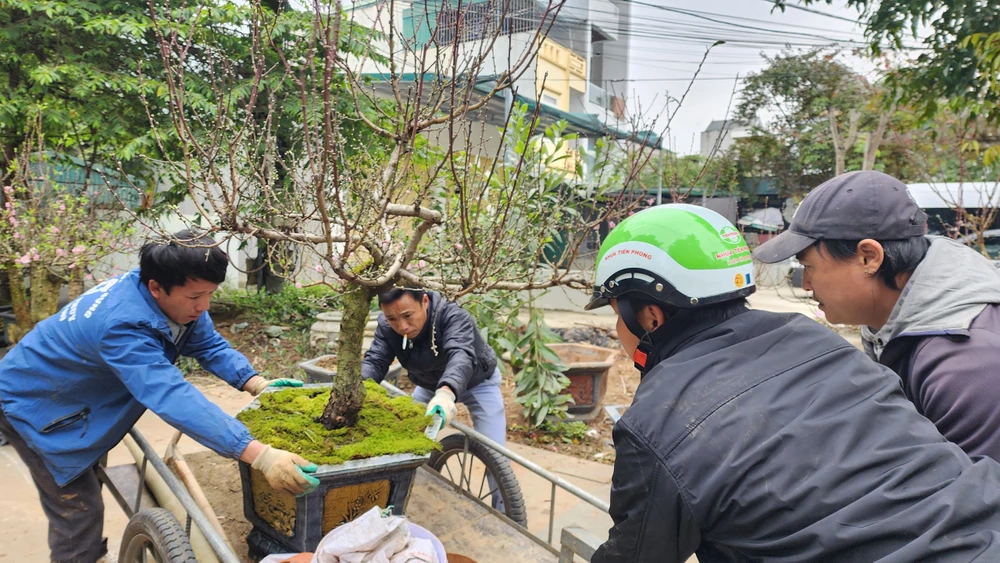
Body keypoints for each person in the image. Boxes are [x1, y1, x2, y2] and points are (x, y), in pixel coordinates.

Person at [586, 203, 1000, 563]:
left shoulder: (656, 424)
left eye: (616, 314)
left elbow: (636, 552)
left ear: (649, 316)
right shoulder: (818, 340)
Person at [0, 230, 319, 563]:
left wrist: (255, 383)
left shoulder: (170, 293)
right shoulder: (121, 326)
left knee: (89, 472)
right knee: (79, 510)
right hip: (31, 404)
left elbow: (208, 344)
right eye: (196, 296)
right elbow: (171, 395)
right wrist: (260, 455)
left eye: (210, 294)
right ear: (156, 287)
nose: (204, 306)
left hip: (74, 394)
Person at [753, 170, 1000, 461]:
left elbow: (973, 487)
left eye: (809, 267)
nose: (806, 285)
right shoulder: (889, 316)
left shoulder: (966, 365)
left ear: (868, 257)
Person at [361, 288, 506, 507]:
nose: (402, 326)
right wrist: (359, 387)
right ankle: (400, 499)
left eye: (407, 315)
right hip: (428, 385)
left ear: (425, 301)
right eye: (392, 318)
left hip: (478, 382)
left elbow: (461, 356)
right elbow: (376, 360)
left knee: (496, 456)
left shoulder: (453, 316)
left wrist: (446, 393)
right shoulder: (387, 327)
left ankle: (505, 514)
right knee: (407, 440)